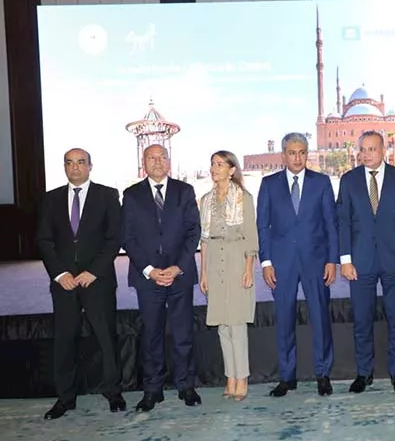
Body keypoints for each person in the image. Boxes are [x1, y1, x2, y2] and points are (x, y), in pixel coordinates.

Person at [37, 148, 125, 419]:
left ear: (90, 166)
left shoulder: (107, 195)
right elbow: (44, 240)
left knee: (106, 338)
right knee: (64, 340)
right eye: (69, 163)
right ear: (64, 167)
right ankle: (65, 398)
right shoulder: (51, 198)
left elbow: (114, 238)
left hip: (97, 280)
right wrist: (59, 274)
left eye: (80, 162)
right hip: (64, 283)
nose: (75, 167)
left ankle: (114, 392)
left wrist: (93, 271)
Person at [337, 130, 395, 394]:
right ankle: (364, 373)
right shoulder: (348, 180)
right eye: (363, 149)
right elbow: (343, 222)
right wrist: (345, 260)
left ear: (383, 150)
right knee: (361, 321)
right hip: (360, 263)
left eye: (372, 149)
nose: (367, 154)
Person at [257, 133, 338, 397]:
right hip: (281, 264)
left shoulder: (321, 182)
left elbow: (331, 224)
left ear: (307, 154)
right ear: (283, 155)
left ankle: (323, 374)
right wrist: (266, 262)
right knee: (284, 320)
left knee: (320, 318)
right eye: (292, 153)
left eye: (302, 152)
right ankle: (287, 376)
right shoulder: (269, 184)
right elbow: (262, 226)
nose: (297, 157)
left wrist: (332, 260)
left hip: (316, 262)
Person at [122, 144, 202, 411]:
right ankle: (152, 390)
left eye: (162, 157)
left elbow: (193, 231)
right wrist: (149, 270)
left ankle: (186, 386)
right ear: (144, 162)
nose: (157, 162)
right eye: (152, 157)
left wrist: (178, 267)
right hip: (148, 277)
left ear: (169, 161)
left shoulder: (184, 191)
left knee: (183, 333)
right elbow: (127, 237)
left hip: (179, 275)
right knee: (151, 336)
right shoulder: (131, 195)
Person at [199, 150, 257, 401]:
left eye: (220, 164)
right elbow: (204, 240)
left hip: (236, 261)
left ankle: (242, 377)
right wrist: (203, 273)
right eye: (213, 164)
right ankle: (230, 377)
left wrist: (248, 269)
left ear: (232, 170)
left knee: (237, 324)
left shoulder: (244, 198)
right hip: (214, 263)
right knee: (222, 325)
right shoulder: (205, 200)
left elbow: (251, 236)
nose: (214, 168)